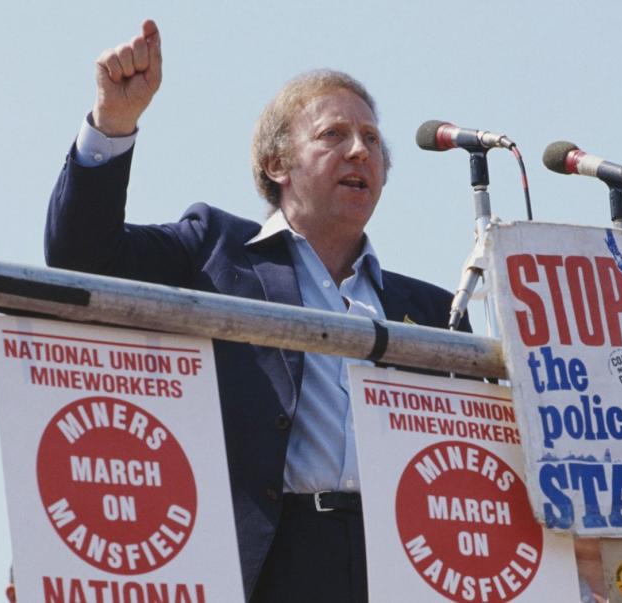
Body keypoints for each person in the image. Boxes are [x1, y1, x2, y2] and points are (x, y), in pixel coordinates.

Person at [45, 20, 466, 603]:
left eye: (372, 138)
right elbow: (81, 258)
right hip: (268, 560)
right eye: (334, 134)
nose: (360, 150)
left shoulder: (434, 310)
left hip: (403, 564)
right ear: (277, 164)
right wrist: (113, 123)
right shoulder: (214, 250)